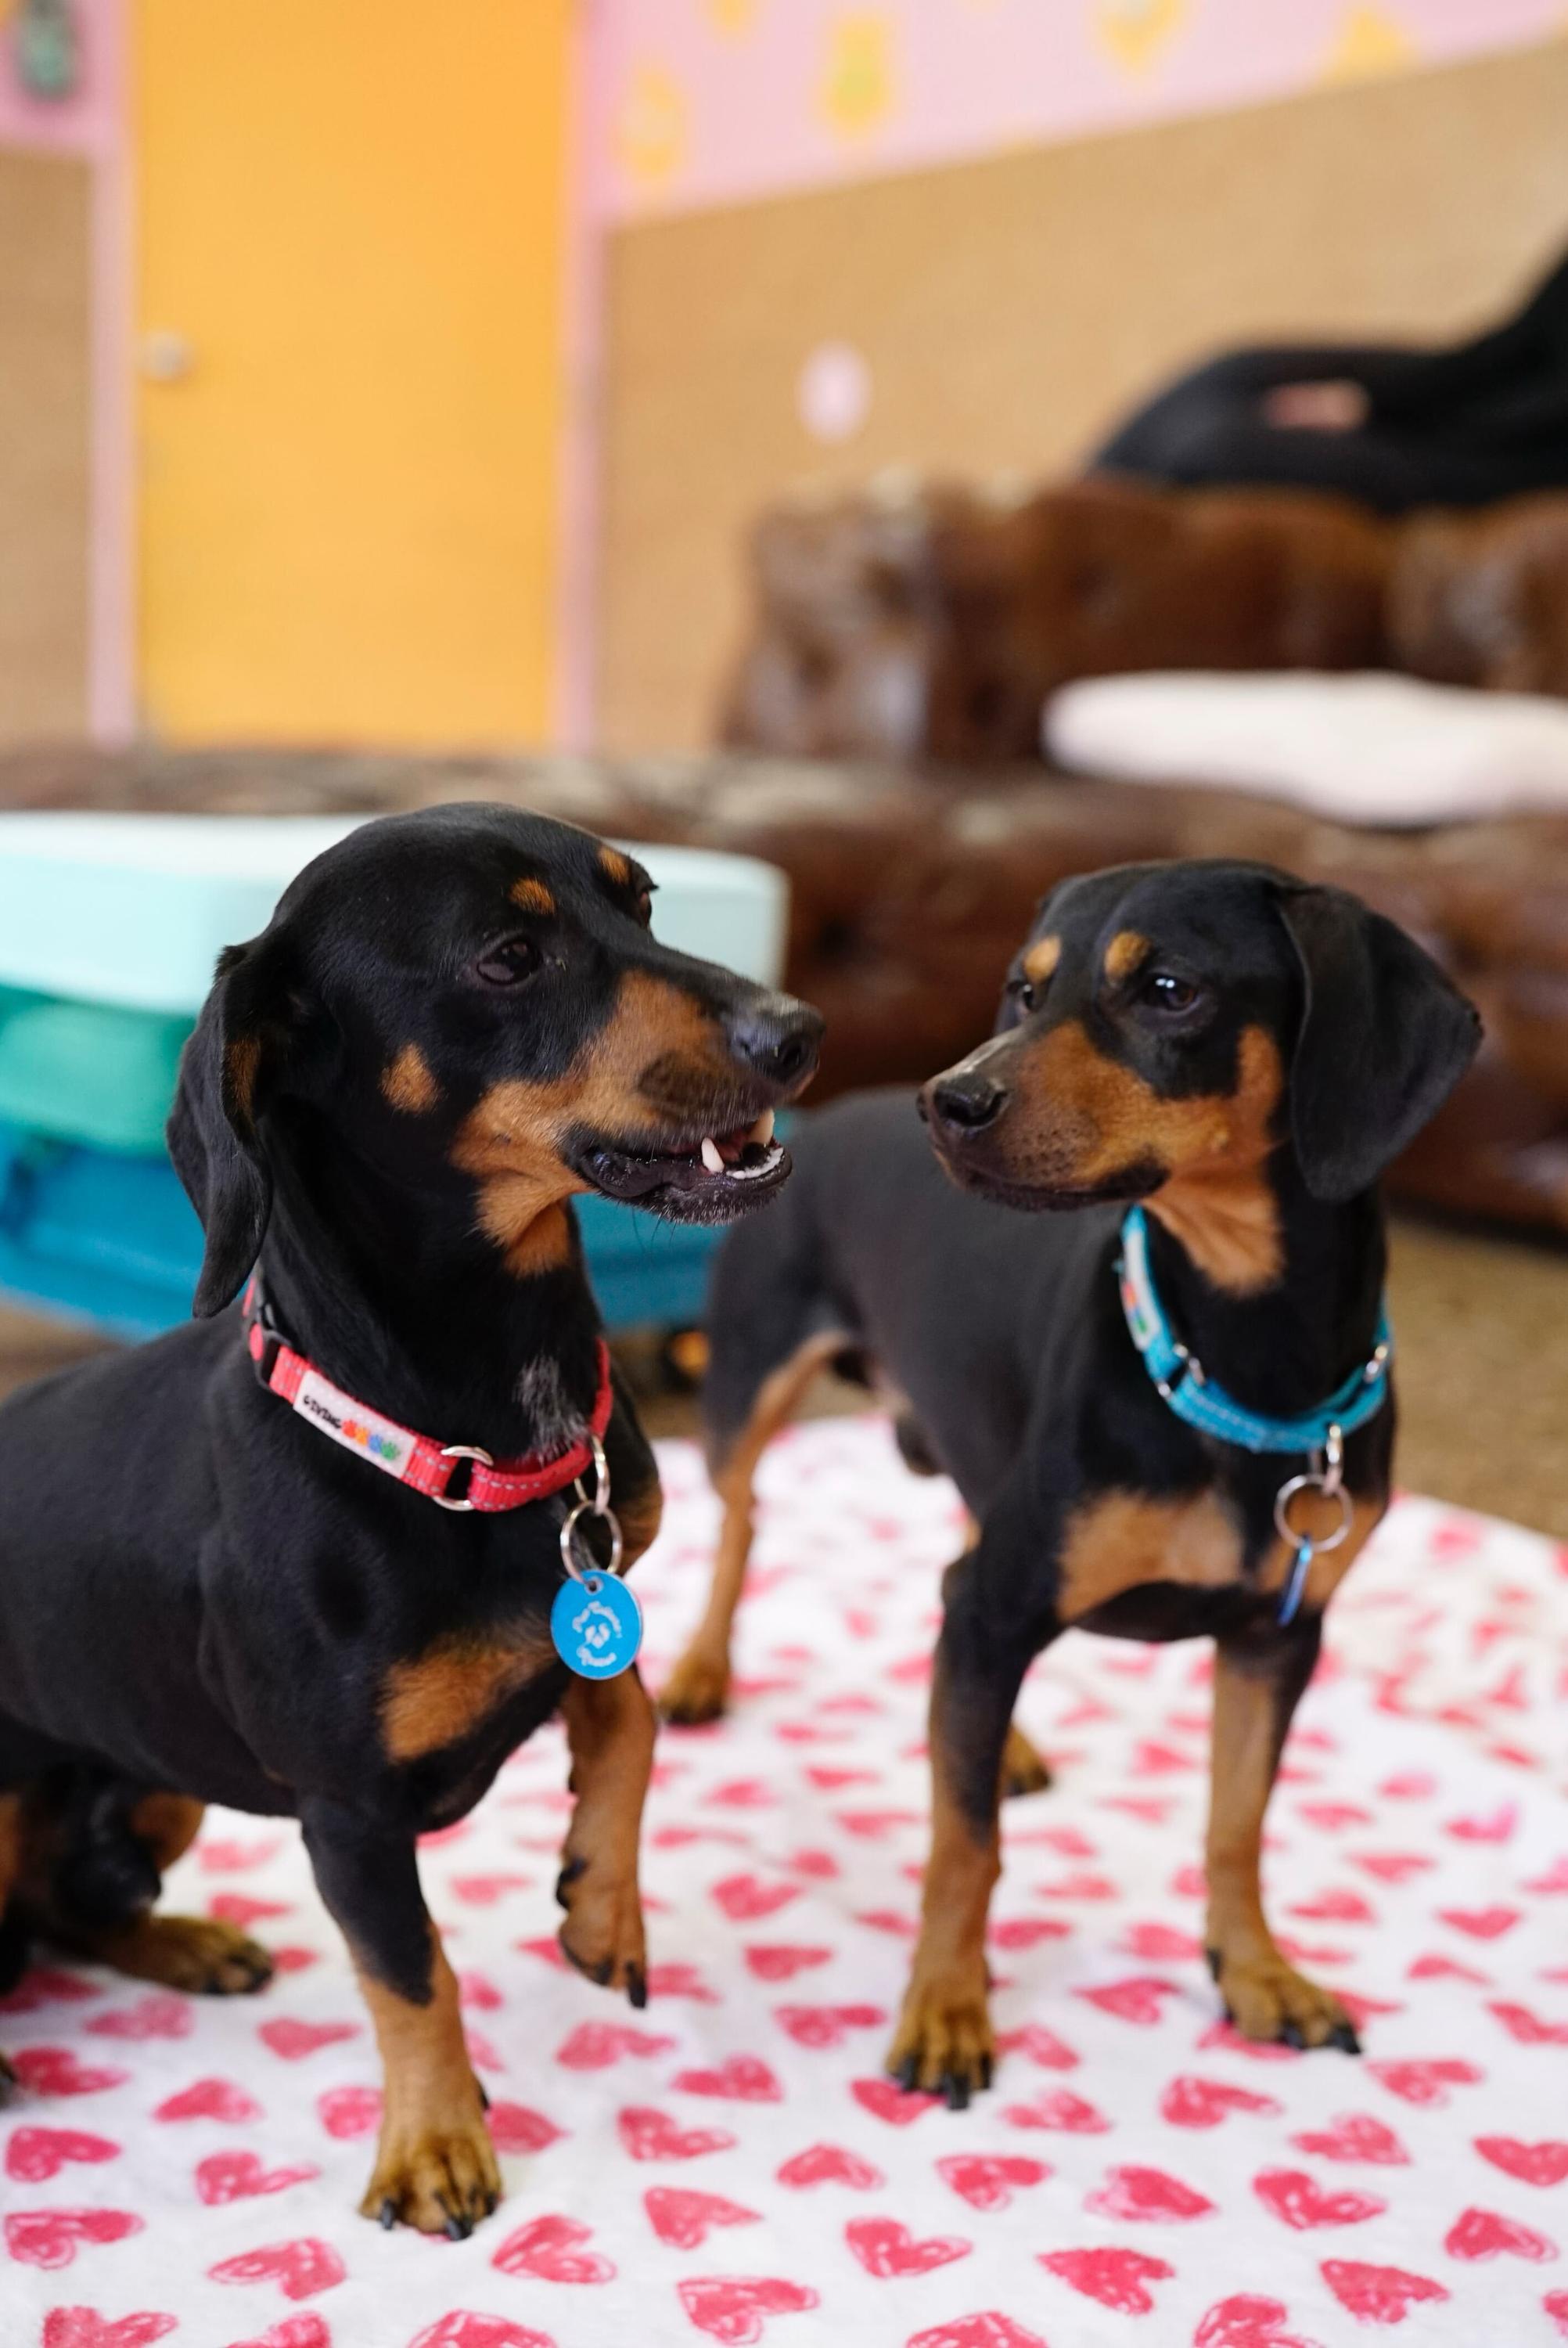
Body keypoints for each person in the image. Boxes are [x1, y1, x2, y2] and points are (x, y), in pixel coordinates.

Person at [1093, 243, 1568, 513]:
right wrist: (1365, 400)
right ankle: (1062, 504)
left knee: (1212, 449)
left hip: (1504, 459)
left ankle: (1078, 529)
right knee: (1235, 373)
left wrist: (1409, 419)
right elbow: (1506, 347)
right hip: (1471, 399)